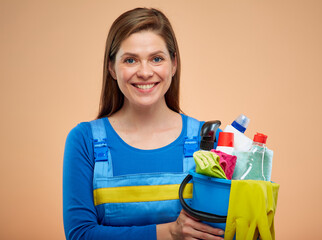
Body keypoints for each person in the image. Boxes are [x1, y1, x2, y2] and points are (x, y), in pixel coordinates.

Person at [63, 8, 224, 240]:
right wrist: (169, 232)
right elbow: (80, 234)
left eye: (157, 59)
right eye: (130, 60)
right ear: (111, 67)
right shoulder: (84, 140)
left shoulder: (207, 140)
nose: (145, 72)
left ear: (174, 64)